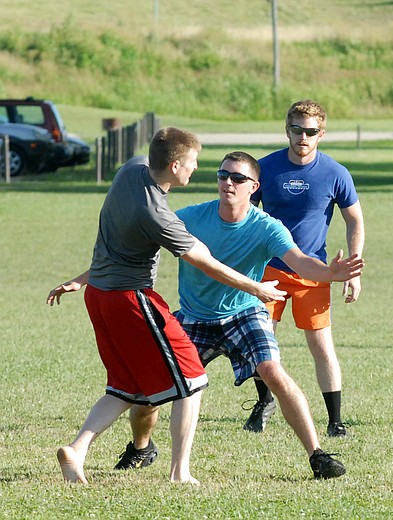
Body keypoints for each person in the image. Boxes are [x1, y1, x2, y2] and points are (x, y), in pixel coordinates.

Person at [47, 129, 286, 484]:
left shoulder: (130, 169)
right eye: (192, 163)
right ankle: (180, 472)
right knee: (193, 379)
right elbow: (206, 262)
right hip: (131, 299)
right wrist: (256, 288)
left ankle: (77, 449)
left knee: (127, 385)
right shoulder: (159, 216)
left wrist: (81, 279)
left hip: (97, 294)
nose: (197, 169)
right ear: (175, 166)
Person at [117, 151, 363, 479]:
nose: (227, 183)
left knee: (274, 371)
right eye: (222, 176)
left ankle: (317, 455)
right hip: (194, 317)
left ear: (254, 187)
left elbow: (300, 262)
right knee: (149, 394)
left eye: (237, 178)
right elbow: (140, 241)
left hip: (244, 313)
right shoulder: (191, 217)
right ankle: (142, 447)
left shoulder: (266, 227)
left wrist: (330, 273)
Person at [248, 99, 365, 437]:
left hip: (312, 273)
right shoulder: (265, 168)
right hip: (266, 270)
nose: (303, 137)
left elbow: (355, 219)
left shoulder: (335, 173)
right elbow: (244, 216)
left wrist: (353, 270)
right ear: (287, 130)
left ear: (321, 134)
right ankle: (264, 401)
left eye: (310, 131)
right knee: (261, 340)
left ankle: (335, 419)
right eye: (296, 129)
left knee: (321, 345)